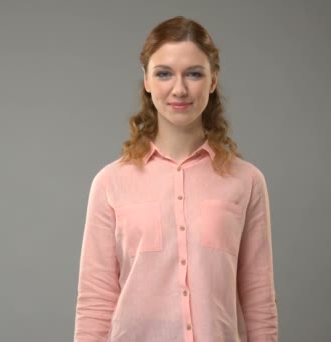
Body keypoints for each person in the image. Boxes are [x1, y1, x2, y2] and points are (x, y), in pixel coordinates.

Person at [73, 16, 278, 342]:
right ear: (147, 81)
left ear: (213, 81)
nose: (179, 89)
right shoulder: (110, 183)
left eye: (194, 74)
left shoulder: (246, 181)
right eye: (164, 73)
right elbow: (96, 302)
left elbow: (258, 297)